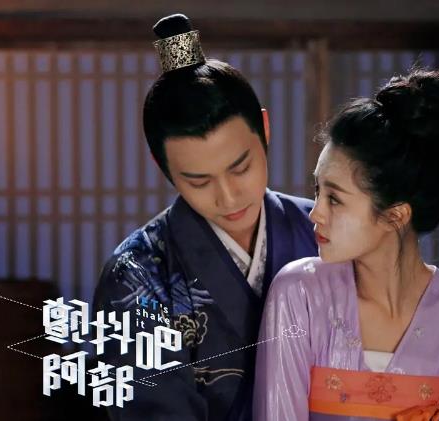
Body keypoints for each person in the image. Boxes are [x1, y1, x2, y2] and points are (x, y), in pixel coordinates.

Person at [254, 68, 439, 420]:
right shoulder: (299, 293)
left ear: (395, 216)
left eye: (335, 199)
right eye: (317, 190)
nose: (315, 213)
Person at [93, 14, 317, 421]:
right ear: (161, 165)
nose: (228, 197)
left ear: (265, 128)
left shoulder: (324, 230)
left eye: (241, 167)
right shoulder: (136, 273)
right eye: (198, 181)